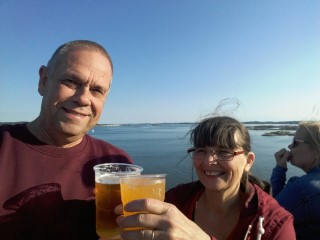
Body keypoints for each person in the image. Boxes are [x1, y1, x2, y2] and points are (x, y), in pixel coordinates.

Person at [0, 40, 133, 239]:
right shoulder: (3, 146)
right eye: (71, 81)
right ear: (43, 81)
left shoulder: (117, 164)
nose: (83, 98)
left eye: (97, 90)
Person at [115, 116, 296, 240]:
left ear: (248, 161)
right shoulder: (176, 200)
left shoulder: (275, 226)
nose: (209, 161)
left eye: (224, 152)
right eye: (201, 151)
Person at [271, 121, 320, 240]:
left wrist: (279, 170)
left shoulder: (302, 188)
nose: (289, 147)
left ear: (316, 149)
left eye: (295, 143)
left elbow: (270, 217)